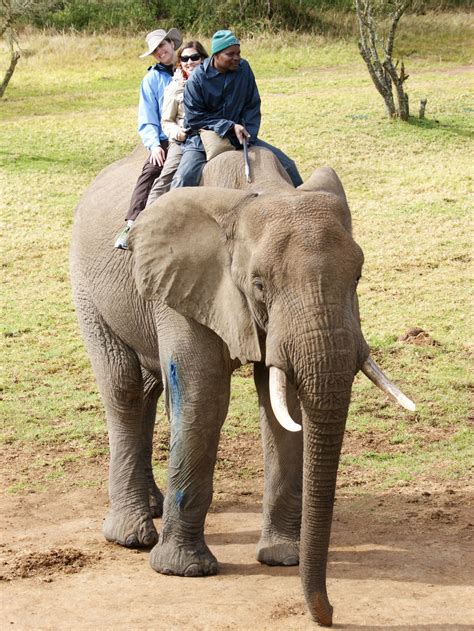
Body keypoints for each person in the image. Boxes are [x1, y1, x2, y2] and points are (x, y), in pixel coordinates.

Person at [170, 29, 303, 190]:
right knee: (183, 178)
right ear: (216, 55)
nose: (237, 58)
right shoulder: (197, 79)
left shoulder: (244, 69)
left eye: (238, 53)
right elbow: (195, 119)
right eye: (230, 54)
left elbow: (252, 104)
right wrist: (229, 126)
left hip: (241, 136)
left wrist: (249, 134)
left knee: (288, 166)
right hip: (201, 140)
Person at [114, 27, 182, 250]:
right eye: (155, 50)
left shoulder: (190, 65)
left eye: (162, 46)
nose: (160, 52)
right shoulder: (151, 79)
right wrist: (154, 146)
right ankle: (131, 224)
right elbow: (147, 119)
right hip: (165, 136)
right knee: (151, 171)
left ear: (172, 44)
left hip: (194, 131)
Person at [145, 41, 209, 207]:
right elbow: (166, 120)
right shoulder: (174, 87)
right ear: (180, 62)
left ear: (203, 58)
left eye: (194, 57)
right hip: (183, 139)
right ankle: (148, 217)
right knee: (169, 175)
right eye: (185, 58)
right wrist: (177, 133)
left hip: (211, 135)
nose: (190, 62)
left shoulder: (213, 80)